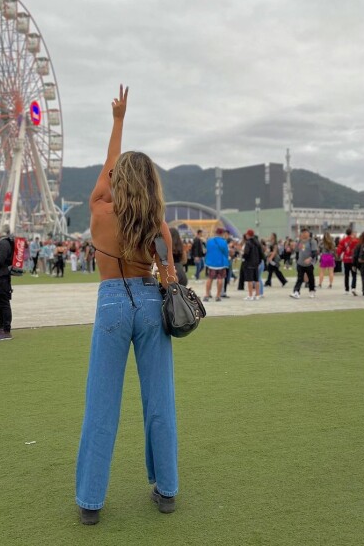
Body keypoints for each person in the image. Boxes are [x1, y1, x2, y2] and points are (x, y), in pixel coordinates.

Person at [76, 85, 179, 525]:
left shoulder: (101, 209)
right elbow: (170, 274)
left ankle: (91, 502)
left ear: (119, 180)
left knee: (102, 402)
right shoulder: (157, 223)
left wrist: (117, 121)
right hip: (151, 302)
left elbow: (107, 171)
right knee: (160, 400)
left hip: (113, 301)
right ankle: (167, 489)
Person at [203, 227, 230, 302]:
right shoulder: (223, 242)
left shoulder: (209, 241)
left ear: (216, 233)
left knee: (210, 279)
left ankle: (207, 295)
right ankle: (218, 296)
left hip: (211, 263)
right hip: (221, 263)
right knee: (220, 279)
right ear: (222, 233)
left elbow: (207, 250)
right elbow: (226, 253)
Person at [290, 228, 317, 299]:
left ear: (308, 233)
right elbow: (296, 250)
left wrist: (310, 259)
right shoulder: (300, 241)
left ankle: (312, 290)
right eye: (302, 232)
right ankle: (296, 292)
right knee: (299, 278)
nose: (304, 234)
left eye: (305, 232)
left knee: (311, 278)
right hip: (300, 263)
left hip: (309, 264)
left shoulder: (312, 241)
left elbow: (314, 252)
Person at [242, 229, 263, 300]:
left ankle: (250, 295)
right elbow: (261, 253)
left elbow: (246, 253)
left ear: (248, 235)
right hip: (256, 263)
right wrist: (259, 261)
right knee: (256, 280)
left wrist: (244, 257)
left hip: (249, 263)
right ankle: (257, 294)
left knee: (250, 280)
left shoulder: (248, 243)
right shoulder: (257, 242)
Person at [336, 228, 359, 296]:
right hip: (353, 260)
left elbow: (339, 249)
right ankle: (353, 288)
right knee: (354, 274)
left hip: (346, 259)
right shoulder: (356, 240)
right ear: (351, 233)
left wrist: (338, 255)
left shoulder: (343, 240)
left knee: (346, 275)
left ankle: (346, 290)